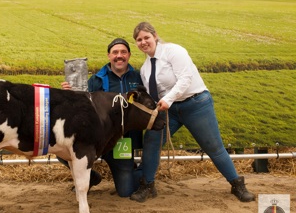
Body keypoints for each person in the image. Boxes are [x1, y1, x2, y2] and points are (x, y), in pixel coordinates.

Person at [130, 21, 255, 203]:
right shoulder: (145, 68)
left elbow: (185, 78)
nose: (143, 42)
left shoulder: (174, 51)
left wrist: (168, 99)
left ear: (155, 36)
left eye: (146, 37)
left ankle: (237, 184)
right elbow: (154, 94)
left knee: (213, 147)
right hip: (170, 110)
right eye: (139, 39)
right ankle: (147, 185)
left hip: (196, 104)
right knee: (151, 140)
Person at [58, 38, 144, 197]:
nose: (119, 56)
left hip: (122, 143)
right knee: (61, 151)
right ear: (109, 56)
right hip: (99, 138)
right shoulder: (96, 80)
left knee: (125, 192)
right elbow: (82, 103)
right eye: (115, 52)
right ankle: (91, 178)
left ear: (129, 55)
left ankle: (135, 171)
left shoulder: (138, 78)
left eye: (123, 52)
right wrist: (70, 93)